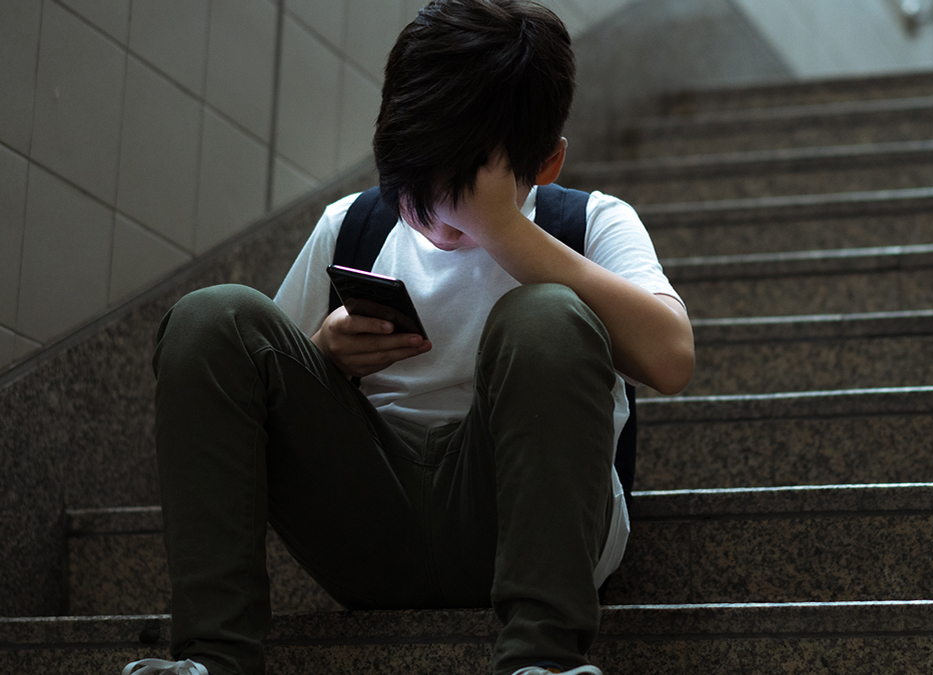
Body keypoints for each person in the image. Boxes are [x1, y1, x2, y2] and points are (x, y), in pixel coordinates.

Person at [125, 1, 693, 674]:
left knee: (545, 318)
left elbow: (670, 356)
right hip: (370, 524)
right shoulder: (356, 225)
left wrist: (503, 230)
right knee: (208, 318)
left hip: (522, 520)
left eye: (461, 197)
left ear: (547, 162)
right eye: (415, 191)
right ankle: (213, 658)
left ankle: (542, 658)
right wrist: (323, 351)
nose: (434, 219)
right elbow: (241, 382)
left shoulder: (592, 225)